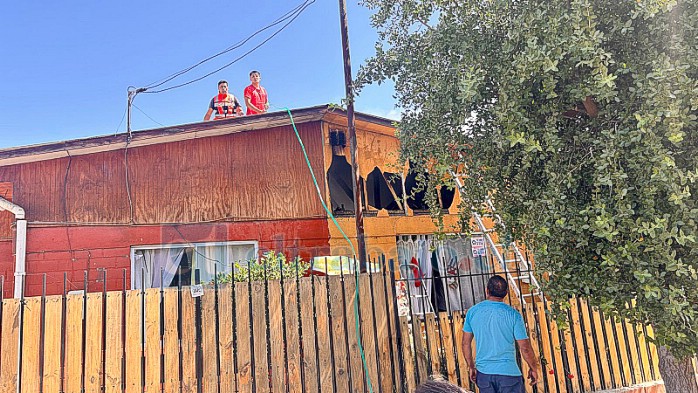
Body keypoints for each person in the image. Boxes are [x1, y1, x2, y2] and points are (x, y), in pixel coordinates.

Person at [461, 275, 539, 393]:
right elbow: (525, 348)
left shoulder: (473, 312)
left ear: (487, 290)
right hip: (509, 374)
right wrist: (533, 368)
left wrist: (471, 366)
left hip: (484, 374)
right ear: (506, 293)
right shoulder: (513, 315)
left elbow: (465, 343)